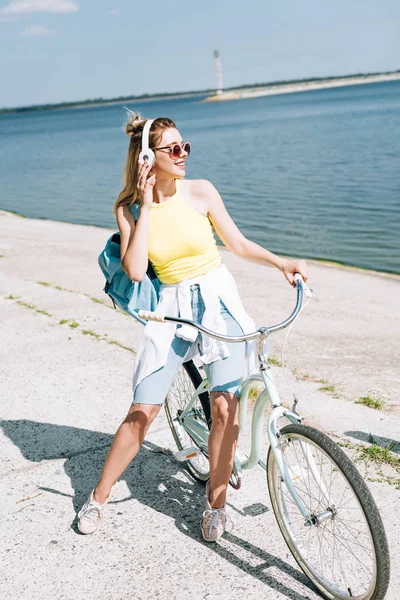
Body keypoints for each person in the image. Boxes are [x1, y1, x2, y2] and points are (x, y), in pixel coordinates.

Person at [77, 115, 308, 541]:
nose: (183, 154)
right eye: (173, 149)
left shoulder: (200, 191)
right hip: (172, 310)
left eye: (185, 146)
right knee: (141, 412)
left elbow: (237, 244)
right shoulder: (127, 207)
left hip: (219, 303)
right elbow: (134, 268)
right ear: (148, 158)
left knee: (225, 407)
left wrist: (281, 263)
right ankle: (98, 497)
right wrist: (145, 205)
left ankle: (215, 507)